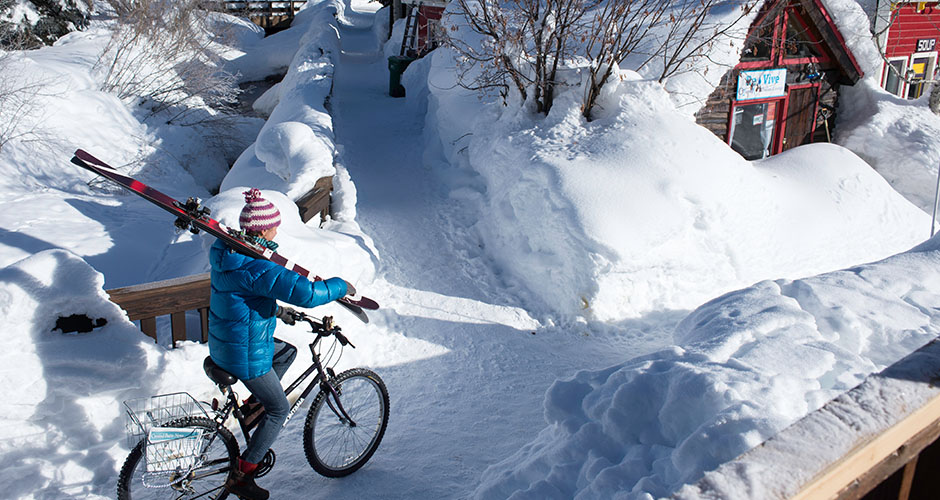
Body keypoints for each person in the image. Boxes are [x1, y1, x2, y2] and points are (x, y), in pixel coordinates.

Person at [208, 188, 349, 500]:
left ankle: (252, 407)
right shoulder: (258, 265)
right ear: (264, 229)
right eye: (274, 226)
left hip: (225, 344)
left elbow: (244, 296)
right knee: (279, 409)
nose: (277, 232)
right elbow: (308, 294)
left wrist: (278, 310)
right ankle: (243, 475)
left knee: (286, 351)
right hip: (244, 353)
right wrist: (340, 286)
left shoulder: (227, 253)